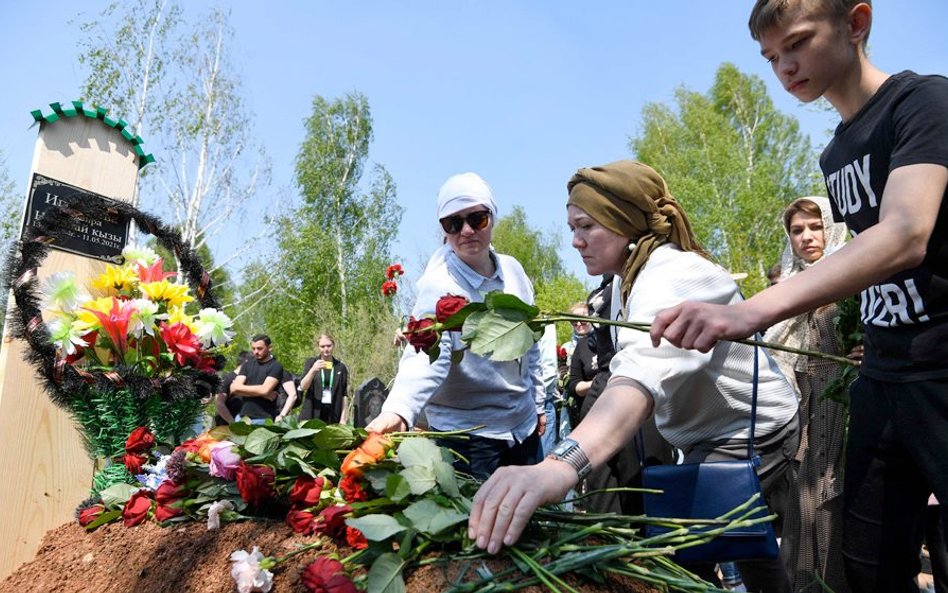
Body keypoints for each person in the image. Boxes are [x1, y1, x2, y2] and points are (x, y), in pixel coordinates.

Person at [650, 2, 948, 590]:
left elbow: (906, 233)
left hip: (941, 367)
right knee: (866, 563)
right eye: (771, 57)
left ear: (856, 23)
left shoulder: (923, 103)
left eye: (798, 44)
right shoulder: (836, 151)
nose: (785, 66)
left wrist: (750, 310)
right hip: (884, 378)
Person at [468, 160, 799, 592]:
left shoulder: (672, 275)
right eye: (572, 226)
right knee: (750, 551)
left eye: (586, 225)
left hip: (750, 433)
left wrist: (559, 466)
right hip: (711, 436)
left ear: (623, 222)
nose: (574, 240)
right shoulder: (631, 280)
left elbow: (637, 379)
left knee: (676, 558)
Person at [366, 172, 545, 480]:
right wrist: (399, 409)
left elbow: (531, 345)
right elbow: (424, 355)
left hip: (522, 428)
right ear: (443, 230)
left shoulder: (514, 272)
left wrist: (539, 402)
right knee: (478, 526)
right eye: (453, 223)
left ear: (492, 217)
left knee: (535, 522)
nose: (466, 231)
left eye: (476, 219)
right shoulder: (439, 287)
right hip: (468, 438)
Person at [764, 197, 851, 592]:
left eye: (815, 227)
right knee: (806, 508)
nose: (807, 237)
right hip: (805, 416)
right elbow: (774, 348)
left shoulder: (855, 275)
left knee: (840, 503)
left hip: (846, 408)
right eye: (797, 230)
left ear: (830, 227)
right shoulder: (789, 289)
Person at [297, 333, 350, 424]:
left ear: (333, 345)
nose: (326, 349)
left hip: (333, 413)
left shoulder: (340, 367)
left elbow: (344, 395)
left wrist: (343, 418)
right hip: (313, 412)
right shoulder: (311, 363)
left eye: (329, 346)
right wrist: (313, 370)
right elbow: (303, 387)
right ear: (318, 347)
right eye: (322, 346)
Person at [230, 334, 283, 423]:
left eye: (259, 348)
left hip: (263, 419)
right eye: (253, 348)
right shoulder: (247, 365)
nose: (255, 352)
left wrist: (242, 390)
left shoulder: (275, 366)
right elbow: (233, 388)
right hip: (242, 418)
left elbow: (264, 390)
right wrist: (262, 393)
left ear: (269, 347)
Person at [215, 350, 249, 425]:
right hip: (226, 426)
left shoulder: (249, 379)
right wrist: (232, 423)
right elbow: (219, 403)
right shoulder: (227, 378)